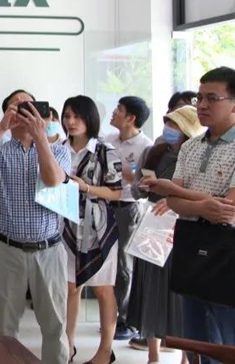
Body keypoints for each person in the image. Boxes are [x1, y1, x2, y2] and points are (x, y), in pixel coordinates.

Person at [143, 67, 235, 362]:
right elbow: (173, 202)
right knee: (196, 340)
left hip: (228, 249)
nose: (202, 105)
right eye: (199, 98)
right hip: (191, 244)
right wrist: (199, 204)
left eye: (212, 98)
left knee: (228, 341)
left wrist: (177, 192)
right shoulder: (191, 146)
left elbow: (228, 211)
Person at [0, 89, 71, 364]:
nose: (23, 111)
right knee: (5, 327)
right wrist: (2, 128)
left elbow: (53, 180)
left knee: (55, 325)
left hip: (49, 250)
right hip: (7, 249)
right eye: (15, 107)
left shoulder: (59, 151)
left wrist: (40, 136)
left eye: (28, 106)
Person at [126, 106, 204, 364]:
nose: (168, 129)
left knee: (181, 294)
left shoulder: (195, 156)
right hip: (154, 225)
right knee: (152, 288)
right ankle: (153, 355)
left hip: (184, 227)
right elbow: (136, 191)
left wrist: (174, 200)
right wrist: (143, 187)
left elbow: (200, 195)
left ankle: (185, 357)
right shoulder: (154, 151)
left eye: (175, 124)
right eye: (168, 123)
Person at [61, 96, 122, 364]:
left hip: (99, 228)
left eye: (77, 116)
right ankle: (67, 346)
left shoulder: (104, 150)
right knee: (69, 287)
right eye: (67, 116)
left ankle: (105, 350)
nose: (71, 122)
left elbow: (116, 192)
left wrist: (85, 187)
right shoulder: (58, 149)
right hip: (65, 225)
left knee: (103, 289)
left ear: (90, 119)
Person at [105, 95, 153, 341]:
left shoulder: (147, 146)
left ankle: (127, 319)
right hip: (105, 204)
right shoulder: (108, 140)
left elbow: (145, 181)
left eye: (119, 109)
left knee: (125, 264)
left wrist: (125, 173)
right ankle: (110, 316)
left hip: (129, 207)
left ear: (131, 118)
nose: (114, 113)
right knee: (106, 261)